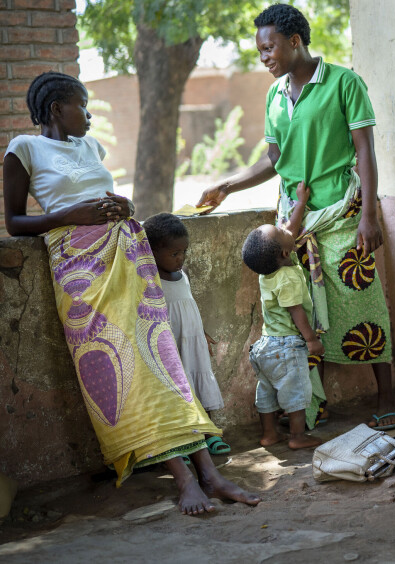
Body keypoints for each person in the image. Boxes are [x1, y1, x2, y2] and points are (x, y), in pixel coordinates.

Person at [3, 72, 259, 515]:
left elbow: (108, 200)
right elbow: (13, 223)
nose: (88, 116)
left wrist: (127, 207)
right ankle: (185, 480)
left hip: (129, 262)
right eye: (82, 106)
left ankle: (210, 475)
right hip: (82, 276)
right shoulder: (23, 149)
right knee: (129, 376)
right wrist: (70, 215)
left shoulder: (91, 148)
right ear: (56, 109)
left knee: (164, 364)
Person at [198, 4, 395, 430]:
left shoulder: (344, 82)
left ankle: (387, 397)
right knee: (307, 316)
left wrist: (369, 215)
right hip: (293, 224)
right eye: (259, 51)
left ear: (294, 41)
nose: (264, 57)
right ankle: (314, 403)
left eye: (269, 47)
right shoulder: (274, 96)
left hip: (340, 215)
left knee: (361, 304)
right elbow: (275, 160)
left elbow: (365, 151)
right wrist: (227, 185)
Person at [241, 181, 324, 450]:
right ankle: (297, 437)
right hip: (286, 346)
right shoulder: (287, 276)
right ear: (286, 253)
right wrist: (311, 340)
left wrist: (300, 202)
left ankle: (269, 434)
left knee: (266, 391)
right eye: (279, 230)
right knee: (296, 392)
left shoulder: (270, 270)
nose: (284, 226)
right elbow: (296, 311)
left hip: (265, 346)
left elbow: (289, 230)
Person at [143, 213, 230, 455]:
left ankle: (209, 432)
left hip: (192, 342)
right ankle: (184, 441)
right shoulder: (150, 282)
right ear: (151, 252)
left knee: (200, 384)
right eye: (174, 254)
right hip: (171, 346)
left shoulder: (184, 276)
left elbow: (188, 305)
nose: (181, 258)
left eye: (184, 252)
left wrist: (201, 332)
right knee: (178, 390)